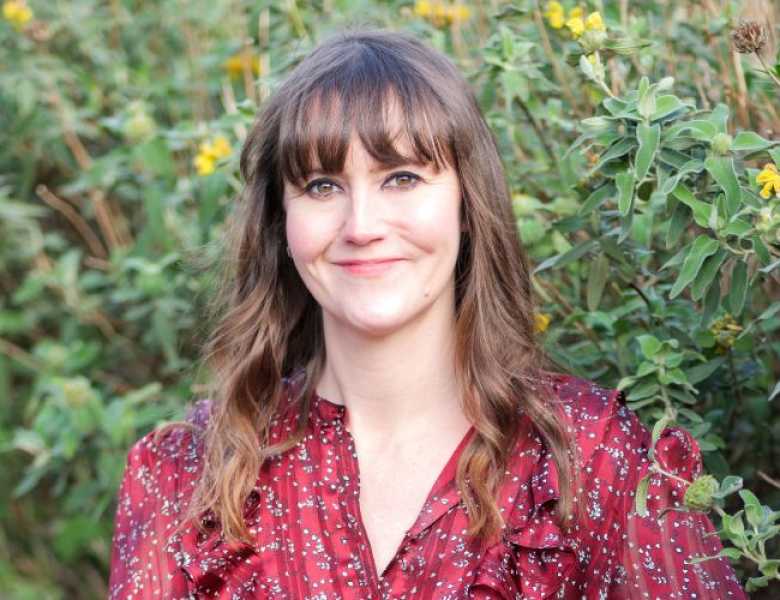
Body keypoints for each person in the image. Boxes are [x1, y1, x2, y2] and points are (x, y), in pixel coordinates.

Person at [108, 28, 747, 599]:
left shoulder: (594, 459)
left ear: (468, 203)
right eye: (322, 186)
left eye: (402, 178)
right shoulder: (183, 476)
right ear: (282, 221)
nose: (361, 227)